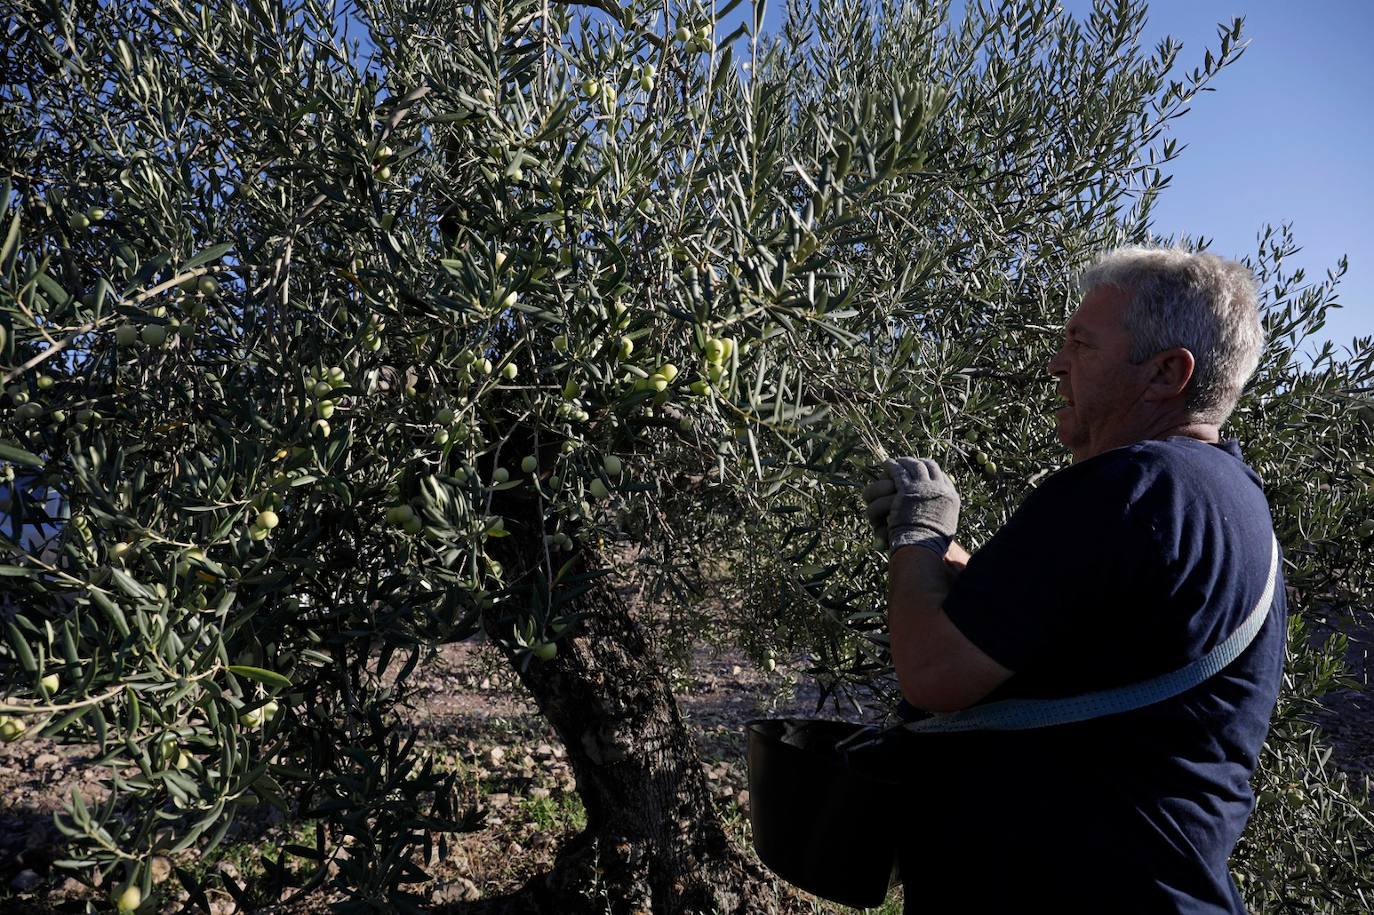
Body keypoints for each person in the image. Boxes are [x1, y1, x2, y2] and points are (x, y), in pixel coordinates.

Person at [863, 245, 1286, 913]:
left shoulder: (1129, 485)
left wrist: (916, 537)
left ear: (1167, 373)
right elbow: (1064, 625)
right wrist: (942, 553)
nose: (1058, 364)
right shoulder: (1223, 494)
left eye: (1081, 346)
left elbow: (933, 673)